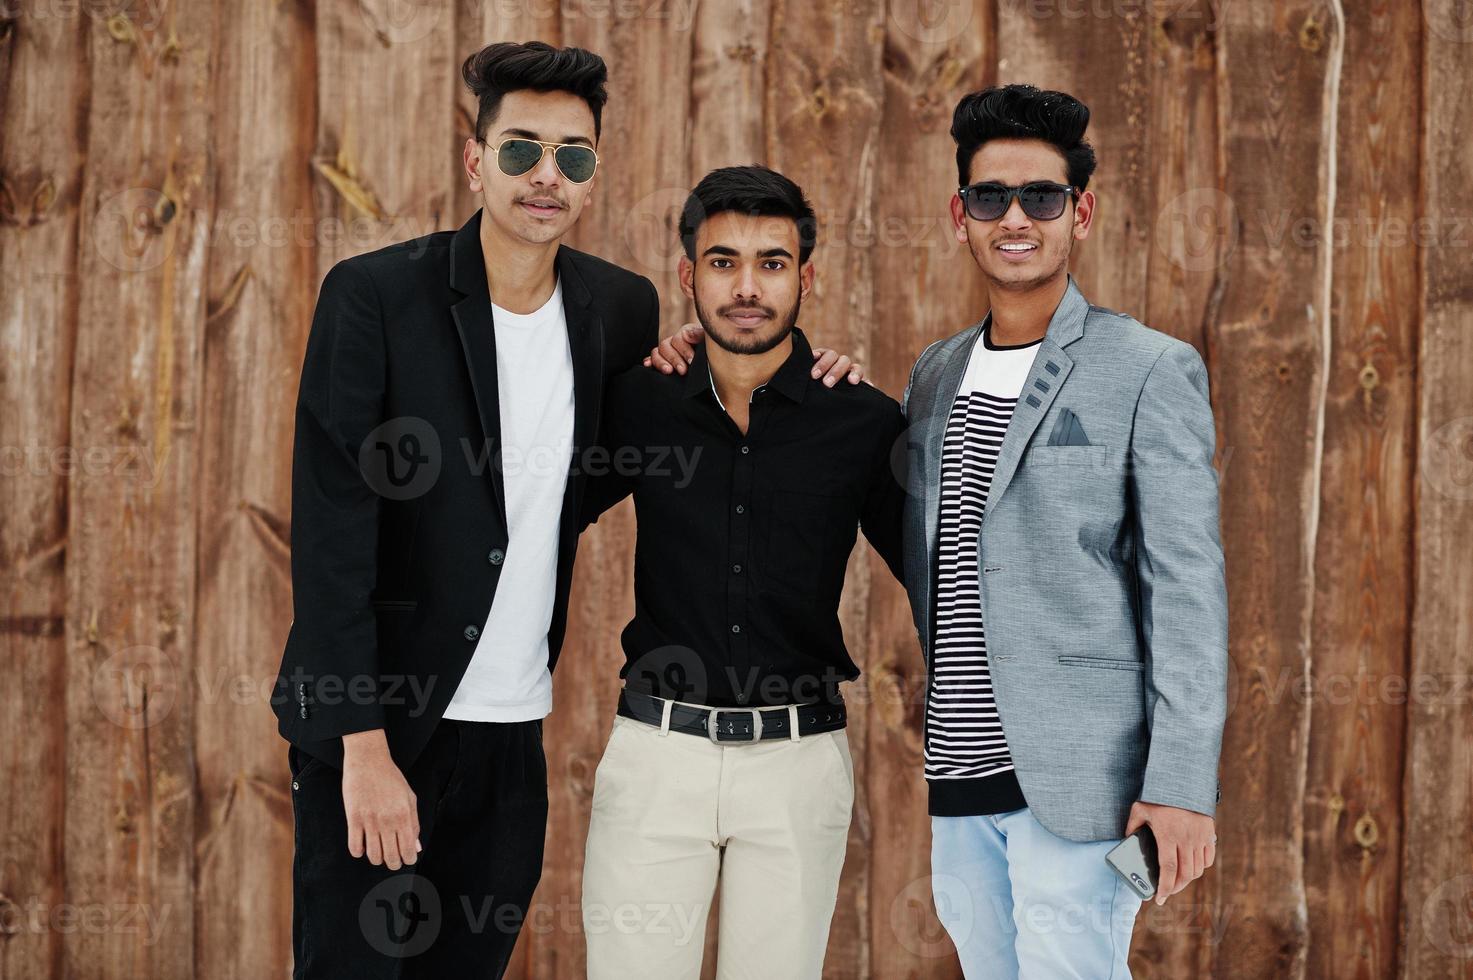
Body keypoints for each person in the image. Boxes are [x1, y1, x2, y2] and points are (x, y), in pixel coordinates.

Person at [271, 40, 863, 978]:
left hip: (512, 733)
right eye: (520, 151)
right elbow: (332, 533)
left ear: (591, 174)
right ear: (476, 160)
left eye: (572, 156)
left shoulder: (617, 309)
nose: (546, 177)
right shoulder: (376, 297)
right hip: (382, 730)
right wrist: (361, 748)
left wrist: (818, 373)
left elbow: (688, 404)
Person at [900, 84, 1227, 978]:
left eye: (1040, 196)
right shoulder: (932, 376)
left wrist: (1180, 786)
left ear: (1078, 212)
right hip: (959, 779)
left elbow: (1187, 592)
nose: (1015, 217)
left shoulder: (1148, 369)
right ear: (957, 216)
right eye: (988, 197)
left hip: (1083, 780)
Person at [578, 165, 907, 979]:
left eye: (771, 261)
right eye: (723, 262)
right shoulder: (640, 403)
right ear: (689, 276)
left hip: (797, 765)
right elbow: (530, 519)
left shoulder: (859, 419)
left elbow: (943, 577)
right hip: (657, 755)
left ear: (806, 277)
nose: (747, 287)